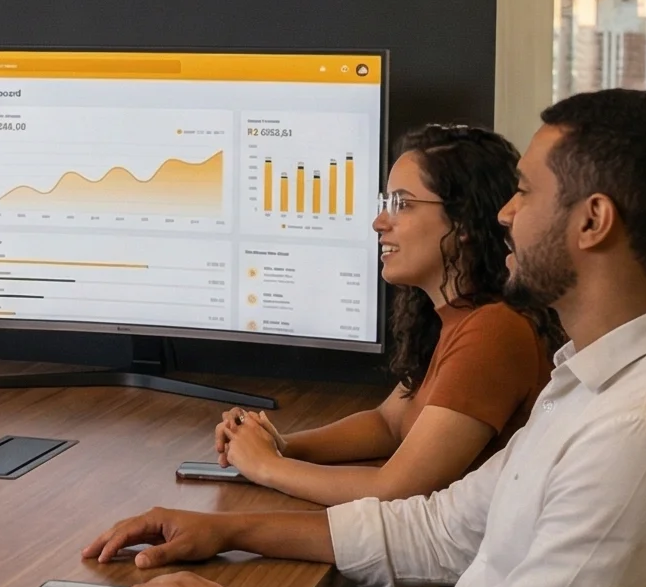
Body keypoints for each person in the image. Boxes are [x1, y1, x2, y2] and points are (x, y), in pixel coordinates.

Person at [81, 90, 646, 587]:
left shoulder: (642, 436)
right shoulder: (599, 381)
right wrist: (226, 531)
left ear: (592, 221)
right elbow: (441, 528)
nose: (505, 214)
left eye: (526, 192)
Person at [213, 125, 558, 506]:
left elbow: (396, 490)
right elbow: (388, 423)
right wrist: (279, 444)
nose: (379, 222)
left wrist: (267, 466)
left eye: (401, 204)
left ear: (462, 221)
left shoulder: (494, 330)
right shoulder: (454, 318)